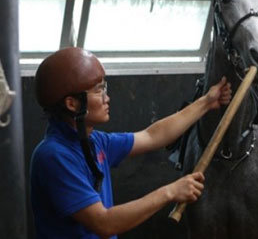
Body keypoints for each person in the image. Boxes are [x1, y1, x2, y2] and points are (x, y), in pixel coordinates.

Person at [29, 47, 232, 238]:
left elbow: (152, 136)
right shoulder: (54, 156)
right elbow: (104, 223)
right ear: (72, 104)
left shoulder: (94, 141)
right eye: (99, 90)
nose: (107, 98)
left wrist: (206, 102)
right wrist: (169, 192)